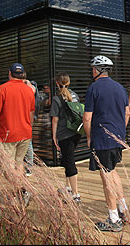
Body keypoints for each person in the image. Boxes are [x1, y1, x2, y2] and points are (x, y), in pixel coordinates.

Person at [82, 55, 130, 232]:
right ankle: (123, 209)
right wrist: (119, 132)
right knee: (112, 171)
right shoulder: (120, 88)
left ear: (96, 70)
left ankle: (114, 219)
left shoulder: (93, 88)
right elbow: (126, 113)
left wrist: (88, 137)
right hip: (117, 138)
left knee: (106, 177)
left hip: (101, 139)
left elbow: (87, 117)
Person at [0, 63, 36, 206]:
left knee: (6, 167)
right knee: (18, 163)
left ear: (9, 73)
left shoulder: (2, 89)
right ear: (22, 75)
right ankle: (19, 193)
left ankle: (22, 190)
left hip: (8, 134)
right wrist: (28, 127)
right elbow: (31, 112)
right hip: (25, 133)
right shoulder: (29, 90)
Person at [50, 72, 82, 204]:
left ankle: (75, 195)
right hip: (76, 133)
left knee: (69, 163)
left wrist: (54, 136)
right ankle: (68, 187)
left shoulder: (56, 99)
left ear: (57, 83)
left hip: (64, 134)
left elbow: (55, 120)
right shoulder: (75, 96)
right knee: (68, 158)